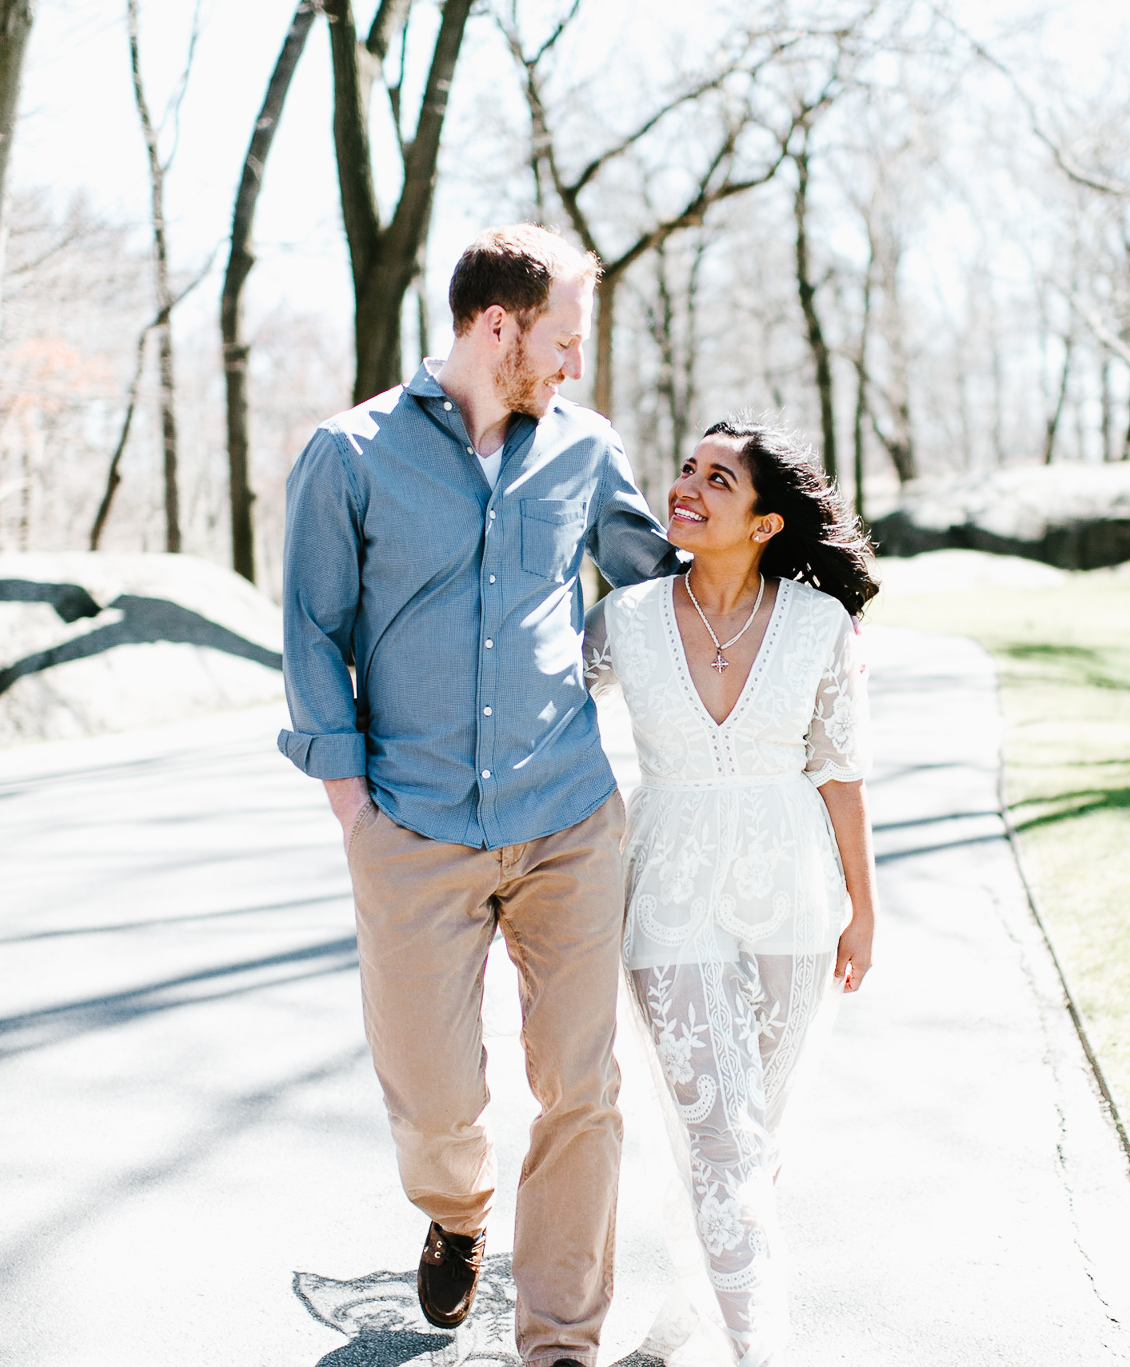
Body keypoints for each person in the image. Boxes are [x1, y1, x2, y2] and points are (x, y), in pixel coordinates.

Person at [278, 223, 681, 1367]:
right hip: (412, 825)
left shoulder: (586, 448)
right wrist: (353, 805)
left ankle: (559, 1340)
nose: (573, 363)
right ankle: (457, 1209)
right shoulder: (347, 453)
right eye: (563, 338)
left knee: (580, 1085)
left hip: (566, 816)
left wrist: (784, 581)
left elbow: (656, 592)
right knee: (433, 1095)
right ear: (496, 326)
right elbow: (312, 629)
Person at [582, 420, 879, 1367]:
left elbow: (841, 772)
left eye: (719, 479)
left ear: (764, 522)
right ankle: (763, 1346)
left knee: (754, 1131)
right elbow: (540, 723)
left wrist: (862, 909)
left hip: (794, 897)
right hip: (668, 896)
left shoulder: (820, 625)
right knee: (722, 1136)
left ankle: (697, 1296)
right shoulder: (622, 619)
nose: (688, 488)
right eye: (685, 469)